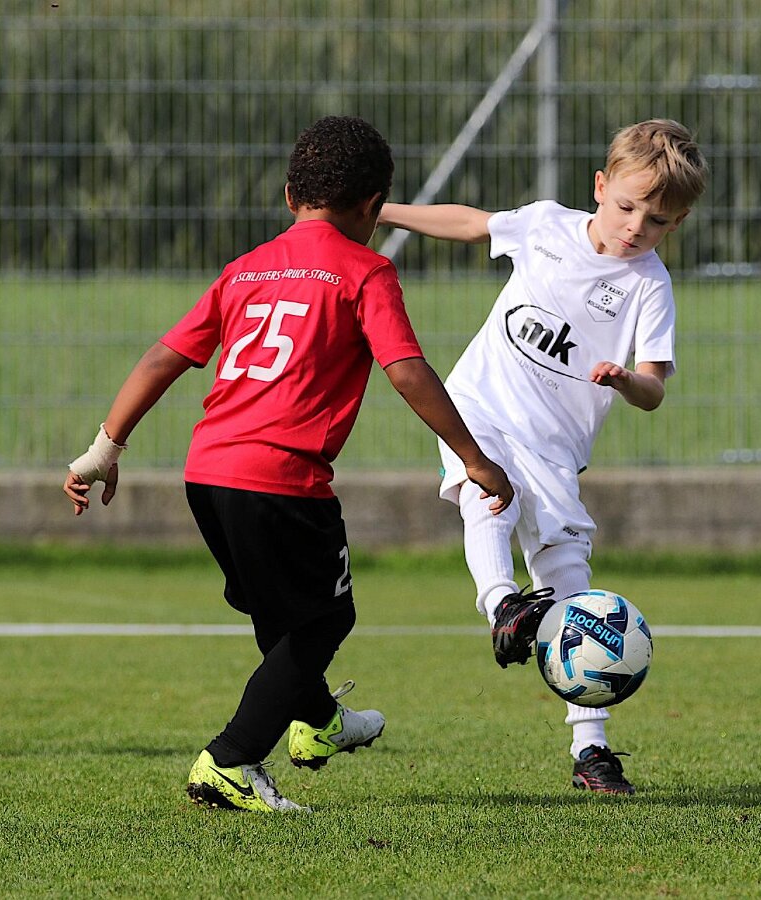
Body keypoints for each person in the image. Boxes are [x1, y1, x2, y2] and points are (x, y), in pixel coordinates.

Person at [63, 116, 513, 813]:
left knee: (282, 617)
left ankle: (321, 722)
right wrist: (474, 458)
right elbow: (406, 369)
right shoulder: (365, 270)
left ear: (288, 195)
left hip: (208, 472)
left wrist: (103, 450)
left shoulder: (246, 268)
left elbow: (163, 358)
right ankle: (229, 761)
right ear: (373, 207)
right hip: (283, 479)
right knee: (324, 622)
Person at [377, 118, 708, 795]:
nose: (636, 227)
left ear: (676, 224)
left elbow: (653, 389)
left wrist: (626, 380)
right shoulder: (546, 225)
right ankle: (504, 605)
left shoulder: (649, 286)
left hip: (555, 450)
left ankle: (591, 750)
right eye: (627, 207)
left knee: (572, 586)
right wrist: (380, 210)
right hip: (479, 406)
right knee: (488, 497)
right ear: (600, 186)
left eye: (656, 221)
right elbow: (470, 223)